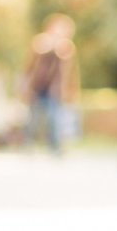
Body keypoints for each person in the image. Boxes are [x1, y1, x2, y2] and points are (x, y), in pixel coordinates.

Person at [23, 14, 78, 152]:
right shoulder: (40, 41)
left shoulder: (66, 46)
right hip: (37, 86)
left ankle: (54, 145)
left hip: (54, 88)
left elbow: (68, 70)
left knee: (54, 117)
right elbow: (29, 64)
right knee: (32, 117)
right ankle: (28, 143)